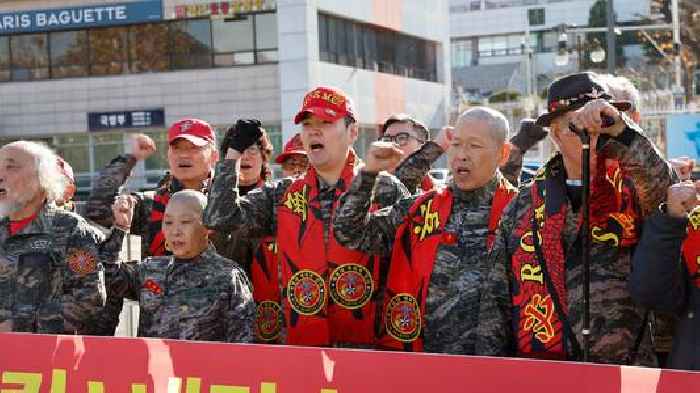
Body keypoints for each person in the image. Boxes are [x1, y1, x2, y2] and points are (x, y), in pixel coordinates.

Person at [476, 72, 673, 366]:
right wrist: (493, 370)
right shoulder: (526, 205)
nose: (591, 136)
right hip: (545, 368)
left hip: (626, 367)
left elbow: (662, 186)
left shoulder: (633, 190)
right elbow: (496, 298)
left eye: (599, 125)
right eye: (576, 127)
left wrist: (621, 128)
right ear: (554, 135)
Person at [205, 86, 409, 347]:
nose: (313, 130)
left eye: (326, 122)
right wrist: (232, 156)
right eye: (307, 124)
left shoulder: (385, 188)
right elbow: (219, 219)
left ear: (353, 132)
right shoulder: (283, 194)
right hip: (303, 350)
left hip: (369, 350)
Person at [333, 107, 516, 355]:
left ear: (502, 153)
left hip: (494, 370)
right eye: (457, 144)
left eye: (474, 146)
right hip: (418, 365)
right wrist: (369, 174)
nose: (461, 155)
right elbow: (350, 232)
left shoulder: (520, 213)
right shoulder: (420, 208)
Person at [85, 118, 219, 334]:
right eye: (177, 148)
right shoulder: (152, 204)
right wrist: (129, 158)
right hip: (158, 336)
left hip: (216, 336)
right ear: (168, 155)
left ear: (214, 155)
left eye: (193, 148)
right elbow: (97, 209)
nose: (184, 155)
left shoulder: (229, 205)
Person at [0, 141, 128, 334]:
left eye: (10, 167)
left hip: (47, 357)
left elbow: (89, 299)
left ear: (42, 178)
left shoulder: (71, 230)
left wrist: (22, 325)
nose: (1, 175)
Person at [103, 190, 254, 342]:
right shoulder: (151, 269)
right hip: (156, 365)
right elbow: (105, 277)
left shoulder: (228, 277)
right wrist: (120, 228)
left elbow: (244, 343)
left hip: (203, 366)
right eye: (168, 222)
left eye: (185, 222)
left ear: (208, 226)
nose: (175, 231)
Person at [379, 114, 435, 192]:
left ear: (423, 147)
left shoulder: (439, 196)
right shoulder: (371, 189)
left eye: (401, 138)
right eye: (387, 139)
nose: (392, 145)